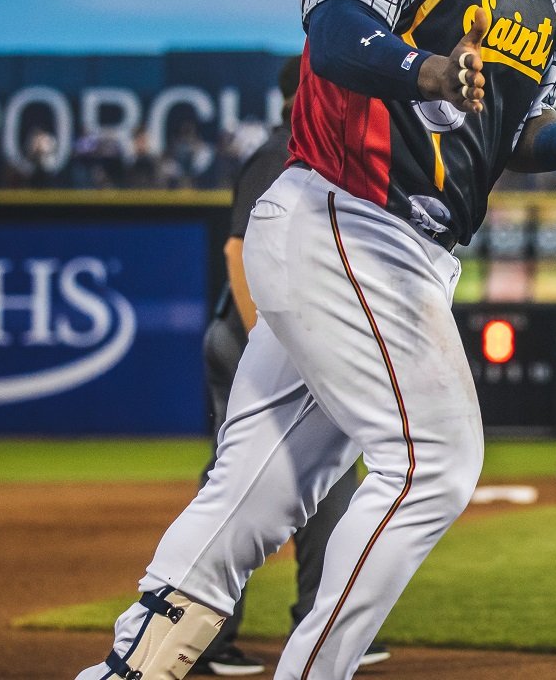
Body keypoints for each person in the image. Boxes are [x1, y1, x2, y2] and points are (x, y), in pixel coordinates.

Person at [76, 0, 556, 680]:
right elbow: (335, 34)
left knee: (259, 490)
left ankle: (137, 666)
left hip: (401, 251)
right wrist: (425, 70)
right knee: (436, 462)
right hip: (345, 216)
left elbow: (503, 132)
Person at [191, 56, 388, 676]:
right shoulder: (284, 152)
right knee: (244, 478)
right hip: (254, 336)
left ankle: (313, 623)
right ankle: (201, 634)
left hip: (286, 339)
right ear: (305, 89)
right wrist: (265, 343)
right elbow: (238, 248)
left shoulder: (314, 150)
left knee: (320, 474)